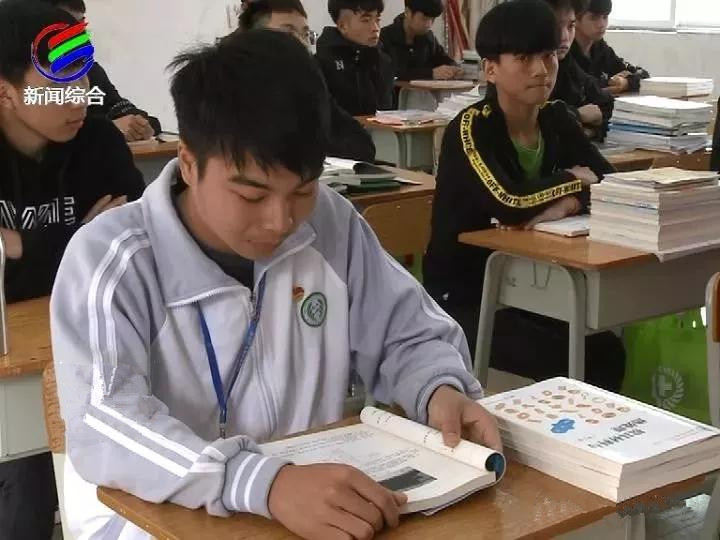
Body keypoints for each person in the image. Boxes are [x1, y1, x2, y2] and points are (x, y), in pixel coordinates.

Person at [51, 29, 501, 540]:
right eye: (252, 196)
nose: (281, 221)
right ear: (190, 164)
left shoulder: (331, 224)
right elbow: (108, 423)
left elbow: (406, 331)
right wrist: (259, 482)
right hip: (151, 519)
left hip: (305, 503)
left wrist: (437, 388)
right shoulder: (113, 259)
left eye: (303, 191)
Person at [423, 0, 625, 392]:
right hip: (464, 295)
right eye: (524, 58)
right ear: (491, 69)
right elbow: (509, 203)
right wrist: (572, 180)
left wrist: (568, 201)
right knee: (566, 355)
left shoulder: (556, 117)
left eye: (548, 56)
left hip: (533, 285)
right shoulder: (471, 128)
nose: (541, 70)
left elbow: (611, 185)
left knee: (605, 351)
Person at [0, 1, 144, 538]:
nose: (79, 97)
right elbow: (94, 252)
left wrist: (19, 247)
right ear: (5, 92)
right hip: (12, 358)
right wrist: (80, 238)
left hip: (94, 346)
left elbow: (128, 254)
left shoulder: (100, 144)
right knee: (26, 482)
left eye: (83, 79)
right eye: (57, 86)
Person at [239, 0, 376, 161]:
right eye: (288, 33)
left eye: (305, 34)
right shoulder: (235, 91)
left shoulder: (309, 85)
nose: (301, 42)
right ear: (254, 40)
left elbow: (362, 145)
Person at [41, 0, 162, 141]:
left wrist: (140, 125)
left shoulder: (92, 71)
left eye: (81, 24)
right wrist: (108, 128)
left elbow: (120, 108)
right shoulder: (30, 77)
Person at [545, 0, 614, 141]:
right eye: (555, 27)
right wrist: (577, 114)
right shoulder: (522, 69)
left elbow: (605, 104)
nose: (564, 37)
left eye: (571, 26)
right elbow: (534, 118)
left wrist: (588, 131)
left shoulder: (565, 62)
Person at [316, 0, 395, 116]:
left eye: (377, 19)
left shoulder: (383, 60)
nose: (376, 28)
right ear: (343, 26)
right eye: (366, 20)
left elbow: (386, 109)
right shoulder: (322, 63)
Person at [570, 0, 649, 94]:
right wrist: (611, 83)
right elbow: (582, 87)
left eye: (605, 17)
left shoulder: (600, 48)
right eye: (593, 18)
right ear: (575, 20)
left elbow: (643, 75)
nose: (602, 24)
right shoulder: (565, 50)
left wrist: (626, 82)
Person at [380, 0, 462, 81]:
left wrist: (455, 69)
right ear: (408, 12)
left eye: (432, 19)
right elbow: (392, 73)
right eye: (424, 19)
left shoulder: (428, 37)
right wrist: (431, 73)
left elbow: (443, 59)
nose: (429, 25)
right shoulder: (385, 37)